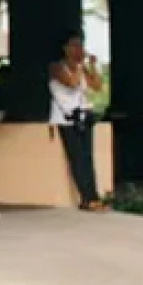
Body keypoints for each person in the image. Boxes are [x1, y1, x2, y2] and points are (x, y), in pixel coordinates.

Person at [49, 31, 106, 211]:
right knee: (77, 158)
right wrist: (79, 65)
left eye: (80, 45)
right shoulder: (57, 67)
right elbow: (72, 83)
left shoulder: (82, 69)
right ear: (65, 48)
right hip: (65, 118)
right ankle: (86, 197)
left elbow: (97, 86)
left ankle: (94, 195)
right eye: (74, 45)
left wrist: (93, 67)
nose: (78, 49)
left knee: (88, 157)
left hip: (82, 116)